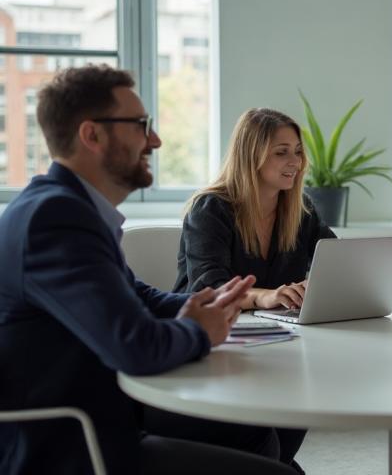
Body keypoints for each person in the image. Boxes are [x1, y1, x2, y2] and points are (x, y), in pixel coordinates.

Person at [0, 65, 296, 475]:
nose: (154, 140)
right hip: (70, 446)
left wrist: (210, 303)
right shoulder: (56, 217)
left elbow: (136, 295)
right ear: (92, 135)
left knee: (258, 435)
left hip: (100, 417)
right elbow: (135, 347)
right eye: (141, 125)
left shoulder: (65, 207)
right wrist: (198, 329)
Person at [173, 107, 336, 467]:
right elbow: (208, 286)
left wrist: (321, 283)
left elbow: (335, 258)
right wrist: (267, 294)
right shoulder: (211, 209)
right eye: (281, 152)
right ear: (251, 155)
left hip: (279, 344)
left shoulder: (300, 210)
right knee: (268, 450)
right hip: (216, 344)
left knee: (289, 430)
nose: (294, 161)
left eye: (297, 151)